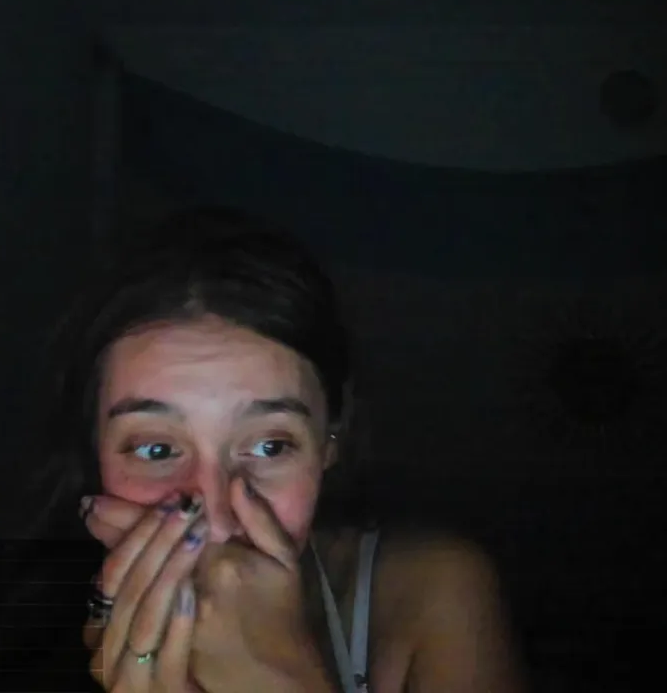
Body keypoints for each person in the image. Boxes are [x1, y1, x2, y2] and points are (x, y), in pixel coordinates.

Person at [48, 206, 527, 692]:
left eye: (269, 446)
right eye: (155, 450)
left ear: (328, 441)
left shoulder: (429, 593)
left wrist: (279, 676)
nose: (217, 522)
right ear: (95, 453)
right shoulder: (25, 635)